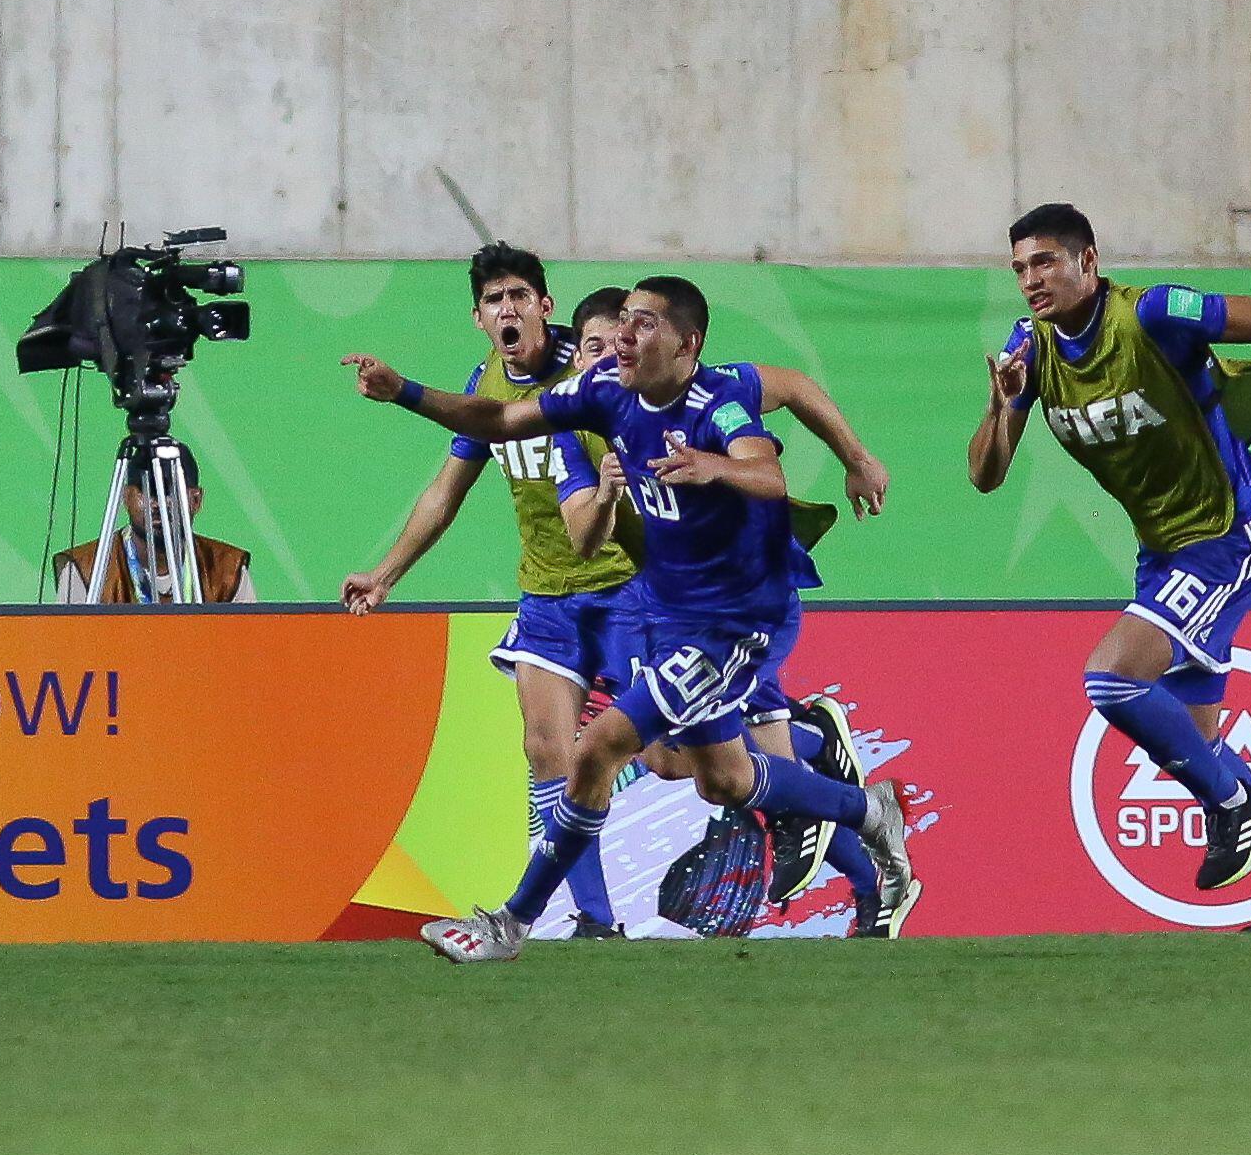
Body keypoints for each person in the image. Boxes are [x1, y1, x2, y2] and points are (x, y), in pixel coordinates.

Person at [342, 275, 914, 963]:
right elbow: (496, 421)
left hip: (736, 619)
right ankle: (867, 808)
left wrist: (723, 464)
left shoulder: (721, 399)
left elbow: (768, 475)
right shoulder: (602, 394)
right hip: (665, 612)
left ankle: (511, 924)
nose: (624, 336)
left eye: (643, 324)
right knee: (721, 779)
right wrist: (404, 390)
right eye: (622, 323)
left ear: (687, 344)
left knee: (594, 750)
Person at [968, 204, 1251, 933]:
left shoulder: (1152, 313)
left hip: (1223, 536)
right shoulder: (1029, 349)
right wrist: (1003, 406)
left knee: (1110, 677)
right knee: (1196, 740)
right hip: (1161, 554)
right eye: (1021, 267)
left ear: (1090, 260)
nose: (1031, 279)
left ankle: (1239, 807)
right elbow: (986, 476)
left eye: (1047, 261)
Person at [340, 248, 637, 939]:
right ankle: (596, 920)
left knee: (680, 756)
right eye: (495, 299)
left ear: (545, 306)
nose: (509, 308)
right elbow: (446, 491)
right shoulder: (488, 385)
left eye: (520, 295)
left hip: (630, 585)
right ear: (478, 318)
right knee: (545, 748)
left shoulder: (592, 370)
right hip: (548, 597)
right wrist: (384, 575)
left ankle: (805, 745)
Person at [558, 383, 911, 937]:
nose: (608, 359)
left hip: (723, 609)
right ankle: (816, 742)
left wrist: (855, 459)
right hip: (640, 606)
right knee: (674, 762)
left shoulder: (697, 397)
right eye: (594, 350)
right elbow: (583, 538)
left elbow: (791, 389)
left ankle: (869, 881)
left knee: (762, 778)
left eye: (615, 342)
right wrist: (606, 493)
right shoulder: (571, 428)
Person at [53, 441, 255, 603]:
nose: (159, 504)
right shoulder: (84, 570)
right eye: (147, 491)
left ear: (196, 499)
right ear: (126, 497)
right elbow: (68, 651)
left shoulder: (228, 571)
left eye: (171, 491)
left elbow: (249, 649)